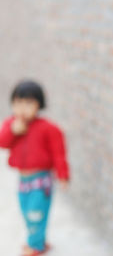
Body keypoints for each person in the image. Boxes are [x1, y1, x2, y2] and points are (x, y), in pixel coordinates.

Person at [0, 80, 69, 256]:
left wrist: (63, 175)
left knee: (35, 213)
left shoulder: (48, 128)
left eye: (29, 103)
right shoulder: (11, 124)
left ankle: (35, 246)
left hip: (41, 179)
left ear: (39, 104)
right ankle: (39, 241)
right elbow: (2, 143)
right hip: (23, 180)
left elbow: (59, 154)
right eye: (18, 103)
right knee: (26, 212)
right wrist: (13, 131)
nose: (23, 108)